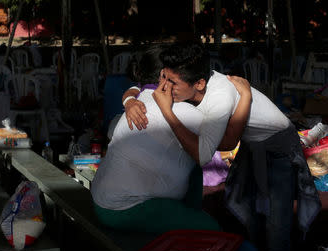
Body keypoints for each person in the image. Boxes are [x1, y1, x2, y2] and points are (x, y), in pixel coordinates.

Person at [124, 42, 321, 251]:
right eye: (163, 77)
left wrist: (167, 112)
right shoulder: (188, 83)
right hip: (251, 143)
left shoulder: (219, 97)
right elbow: (140, 88)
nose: (163, 87)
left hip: (277, 146)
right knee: (247, 208)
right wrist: (130, 100)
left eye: (171, 82)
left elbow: (215, 149)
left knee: (277, 224)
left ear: (199, 84)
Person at [91, 45, 248, 235]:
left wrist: (128, 99)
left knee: (192, 162)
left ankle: (188, 214)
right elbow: (228, 142)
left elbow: (129, 98)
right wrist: (245, 96)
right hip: (124, 208)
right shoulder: (187, 113)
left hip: (103, 198)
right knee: (212, 231)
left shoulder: (141, 97)